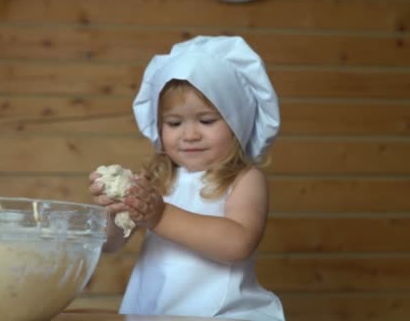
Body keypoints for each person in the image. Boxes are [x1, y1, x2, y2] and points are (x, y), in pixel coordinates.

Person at [89, 35, 285, 321]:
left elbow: (237, 244)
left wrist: (160, 214)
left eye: (207, 121)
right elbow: (110, 245)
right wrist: (112, 211)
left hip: (222, 314)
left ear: (237, 124)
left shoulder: (243, 179)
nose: (190, 135)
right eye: (174, 123)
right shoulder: (158, 180)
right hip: (156, 313)